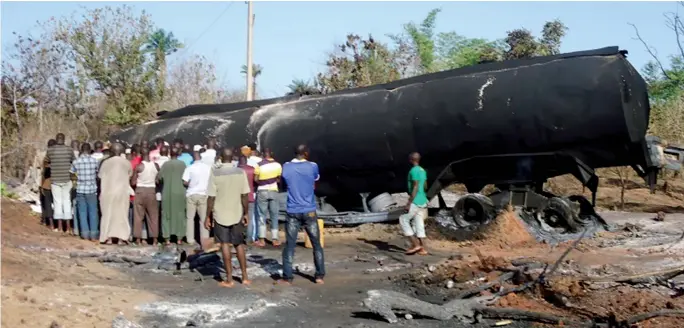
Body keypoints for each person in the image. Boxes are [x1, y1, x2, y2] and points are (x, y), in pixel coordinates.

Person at [204, 148, 251, 287]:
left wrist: (207, 216)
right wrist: (246, 213)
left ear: (220, 157)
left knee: (224, 244)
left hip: (220, 214)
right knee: (239, 244)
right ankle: (245, 277)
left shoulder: (215, 173)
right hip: (237, 212)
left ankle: (229, 279)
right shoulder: (240, 172)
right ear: (233, 158)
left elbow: (211, 197)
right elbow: (244, 196)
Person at [279, 144, 325, 285]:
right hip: (309, 210)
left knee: (290, 246)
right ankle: (319, 276)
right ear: (305, 153)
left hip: (293, 210)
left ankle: (287, 277)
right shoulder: (312, 166)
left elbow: (283, 183)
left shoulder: (286, 166)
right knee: (317, 245)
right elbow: (315, 180)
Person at [98, 143, 132, 245]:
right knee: (121, 215)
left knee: (107, 214)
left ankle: (107, 238)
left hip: (108, 192)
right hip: (122, 192)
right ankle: (121, 238)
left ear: (111, 151)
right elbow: (130, 175)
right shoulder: (126, 163)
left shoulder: (105, 162)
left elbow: (100, 176)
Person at [44, 133, 76, 234]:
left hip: (55, 180)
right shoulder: (69, 150)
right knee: (67, 202)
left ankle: (60, 227)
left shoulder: (51, 150)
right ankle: (68, 227)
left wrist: (52, 165)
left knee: (57, 202)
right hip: (67, 179)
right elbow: (74, 162)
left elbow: (45, 163)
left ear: (57, 139)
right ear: (64, 139)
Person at [399, 152, 429, 256]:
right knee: (418, 223)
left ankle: (415, 244)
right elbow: (425, 185)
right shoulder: (422, 170)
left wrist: (409, 202)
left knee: (403, 219)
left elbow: (415, 186)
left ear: (411, 159)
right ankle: (422, 249)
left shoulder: (414, 171)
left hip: (416, 201)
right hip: (423, 200)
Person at [70, 143, 100, 241]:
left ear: (81, 150)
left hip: (80, 189)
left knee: (82, 212)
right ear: (90, 150)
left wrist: (77, 179)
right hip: (92, 189)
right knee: (93, 212)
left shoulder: (76, 162)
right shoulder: (95, 161)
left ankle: (85, 234)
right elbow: (98, 174)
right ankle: (94, 234)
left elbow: (71, 174)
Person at [158, 147, 188, 245]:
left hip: (167, 192)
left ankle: (167, 238)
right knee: (180, 214)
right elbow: (186, 179)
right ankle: (179, 238)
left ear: (170, 153)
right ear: (178, 153)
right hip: (180, 192)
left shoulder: (165, 165)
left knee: (166, 214)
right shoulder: (183, 164)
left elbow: (159, 178)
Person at [131, 147, 160, 245]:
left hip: (140, 191)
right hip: (151, 191)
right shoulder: (156, 166)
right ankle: (155, 239)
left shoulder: (139, 166)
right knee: (153, 216)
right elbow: (158, 180)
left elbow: (133, 182)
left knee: (138, 216)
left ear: (141, 154)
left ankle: (138, 239)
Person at [255, 148, 283, 247]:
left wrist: (263, 183)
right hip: (274, 191)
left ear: (262, 154)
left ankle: (262, 240)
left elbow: (256, 179)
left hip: (262, 191)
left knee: (262, 215)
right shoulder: (278, 165)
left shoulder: (259, 165)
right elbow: (279, 179)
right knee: (274, 215)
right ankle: (275, 239)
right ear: (271, 154)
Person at [182, 151, 211, 246]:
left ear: (193, 159)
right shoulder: (207, 168)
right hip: (203, 194)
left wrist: (191, 183)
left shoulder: (190, 168)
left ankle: (190, 239)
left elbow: (184, 182)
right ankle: (204, 239)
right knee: (203, 218)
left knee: (190, 218)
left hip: (191, 194)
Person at [237, 155, 258, 244]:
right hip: (250, 197)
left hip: (238, 198)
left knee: (238, 219)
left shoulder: (235, 170)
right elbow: (256, 182)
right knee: (249, 218)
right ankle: (249, 239)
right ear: (246, 161)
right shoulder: (252, 169)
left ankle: (238, 237)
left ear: (239, 161)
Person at [41, 139, 57, 229]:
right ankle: (59, 225)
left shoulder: (47, 157)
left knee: (47, 203)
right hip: (59, 183)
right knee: (58, 203)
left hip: (47, 184)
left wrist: (41, 185)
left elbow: (44, 172)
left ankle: (50, 223)